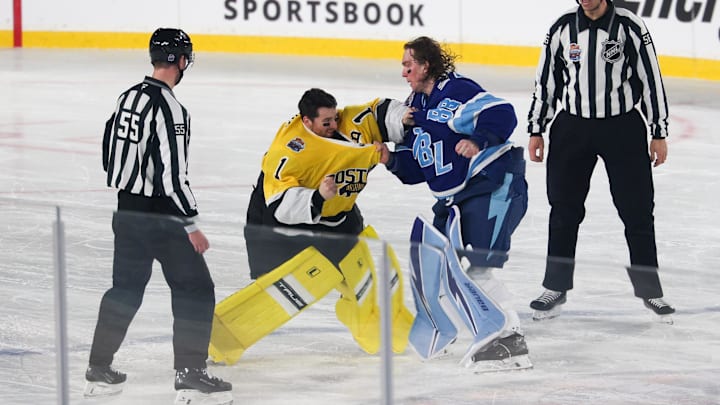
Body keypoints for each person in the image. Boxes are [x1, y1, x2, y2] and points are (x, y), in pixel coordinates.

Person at [207, 88, 413, 365]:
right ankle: (219, 338)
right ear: (307, 121)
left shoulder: (348, 123)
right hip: (278, 221)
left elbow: (379, 112)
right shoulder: (291, 149)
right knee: (278, 282)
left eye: (335, 118)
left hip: (339, 216)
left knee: (359, 267)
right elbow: (279, 206)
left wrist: (404, 118)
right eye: (325, 122)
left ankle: (377, 323)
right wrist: (318, 197)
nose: (333, 126)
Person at [85, 28, 232, 404]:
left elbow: (108, 152)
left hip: (126, 210)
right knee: (196, 288)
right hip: (161, 217)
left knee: (125, 290)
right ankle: (190, 372)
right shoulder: (170, 108)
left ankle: (99, 365)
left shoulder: (128, 96)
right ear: (181, 61)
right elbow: (172, 176)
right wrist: (191, 224)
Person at [381, 36, 531, 371]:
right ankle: (446, 329)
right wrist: (389, 158)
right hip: (455, 199)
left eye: (409, 66)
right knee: (437, 266)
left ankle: (510, 339)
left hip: (493, 183)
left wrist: (478, 140)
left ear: (426, 65)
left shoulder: (456, 90)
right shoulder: (415, 106)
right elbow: (417, 167)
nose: (404, 73)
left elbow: (501, 112)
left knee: (478, 268)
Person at [526, 0, 675, 321]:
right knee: (563, 210)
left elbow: (651, 78)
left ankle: (651, 291)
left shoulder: (629, 25)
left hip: (622, 128)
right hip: (572, 128)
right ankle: (556, 285)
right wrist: (536, 128)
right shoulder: (562, 27)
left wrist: (658, 131)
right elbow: (546, 81)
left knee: (637, 210)